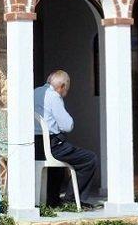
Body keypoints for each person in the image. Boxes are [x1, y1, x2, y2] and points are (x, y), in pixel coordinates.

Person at [34, 70, 97, 207]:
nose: (65, 93)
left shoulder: (34, 92)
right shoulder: (54, 96)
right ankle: (73, 199)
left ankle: (53, 200)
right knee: (89, 159)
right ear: (62, 86)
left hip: (35, 146)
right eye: (66, 90)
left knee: (59, 164)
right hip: (52, 145)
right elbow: (68, 125)